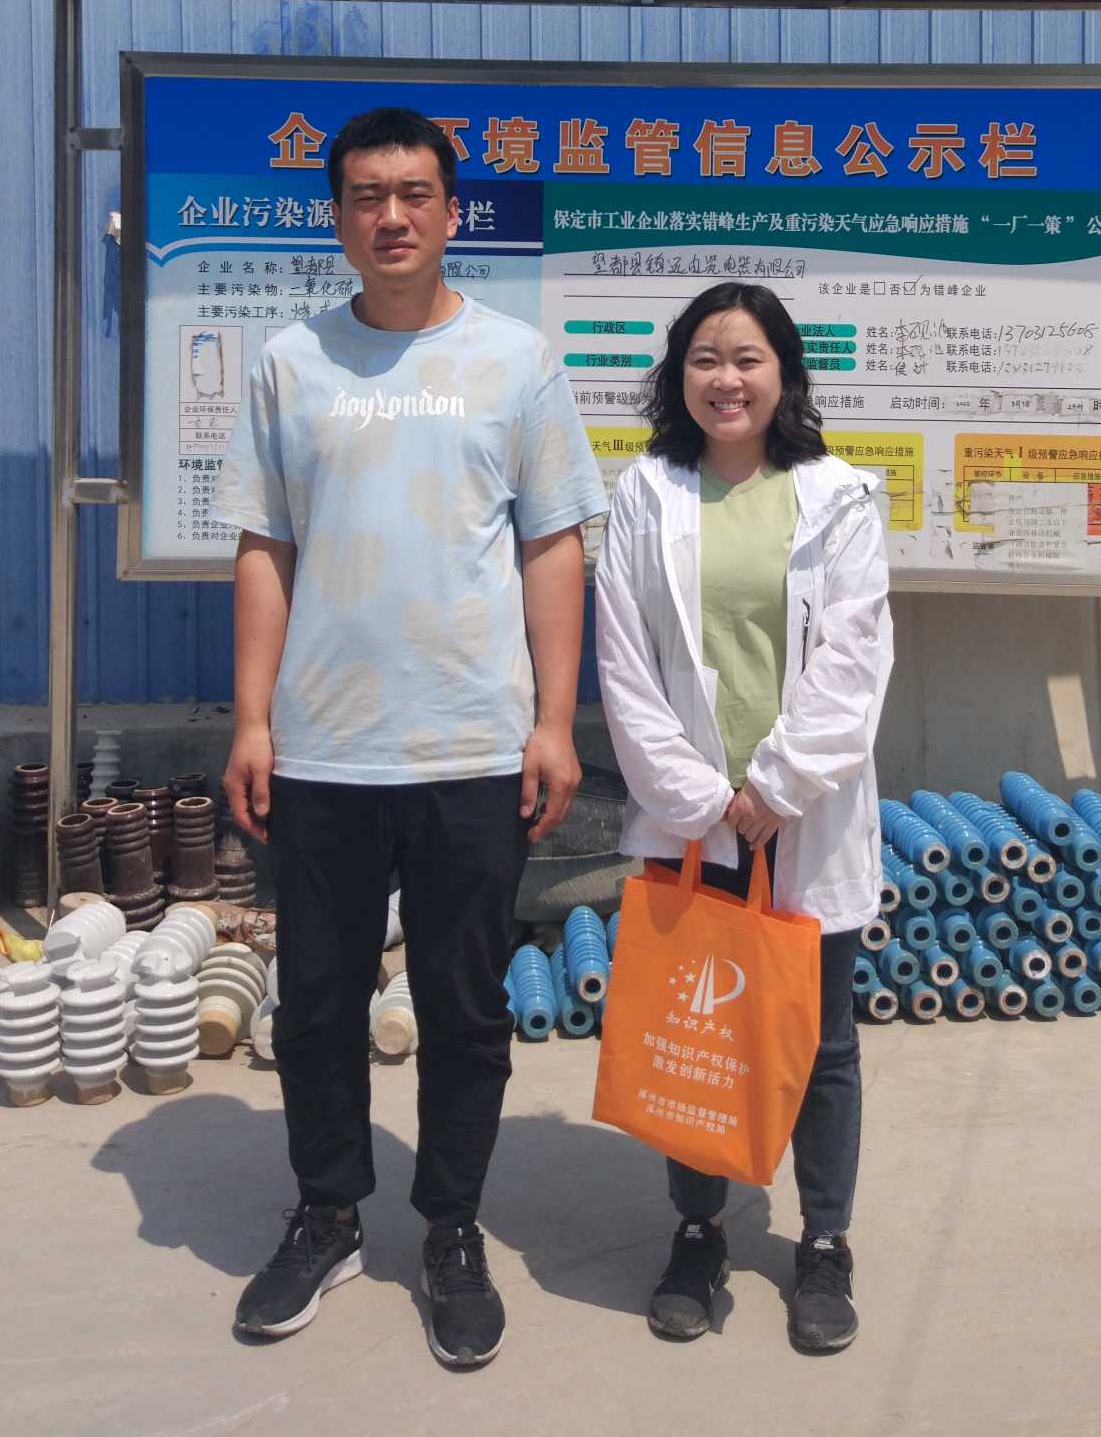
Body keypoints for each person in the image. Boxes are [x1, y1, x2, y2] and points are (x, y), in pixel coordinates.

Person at [215, 106, 607, 1367]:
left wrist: (554, 722)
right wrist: (253, 719)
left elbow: (554, 545)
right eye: (367, 195)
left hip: (472, 749)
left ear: (451, 211)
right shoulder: (291, 362)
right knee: (319, 1003)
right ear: (336, 216)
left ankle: (451, 1228)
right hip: (324, 750)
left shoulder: (515, 362)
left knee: (465, 1007)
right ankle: (328, 1214)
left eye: (415, 193)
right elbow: (265, 545)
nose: (392, 215)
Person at [595, 281, 893, 1354]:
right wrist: (701, 798)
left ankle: (824, 1242)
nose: (727, 379)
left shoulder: (839, 497)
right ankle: (699, 1229)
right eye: (705, 359)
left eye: (748, 358)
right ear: (678, 375)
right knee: (696, 1029)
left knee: (823, 1039)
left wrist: (775, 787)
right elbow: (624, 661)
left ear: (784, 375)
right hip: (695, 818)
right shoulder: (646, 493)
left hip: (802, 814)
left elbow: (856, 659)